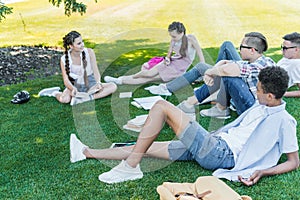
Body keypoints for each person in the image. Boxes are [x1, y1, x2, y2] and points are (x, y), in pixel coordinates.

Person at [70, 67, 299, 186]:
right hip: (212, 145)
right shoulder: (262, 107)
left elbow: (293, 162)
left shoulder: (285, 121)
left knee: (161, 106)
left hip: (220, 153)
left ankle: (130, 167)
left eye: (258, 89)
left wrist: (262, 171)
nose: (254, 91)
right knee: (146, 146)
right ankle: (86, 153)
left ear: (270, 95)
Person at [171, 32, 275, 119]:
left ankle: (218, 108)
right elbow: (225, 62)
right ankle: (192, 101)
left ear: (252, 50)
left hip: (253, 109)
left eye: (241, 47)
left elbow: (228, 70)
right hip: (247, 97)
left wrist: (210, 73)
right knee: (219, 68)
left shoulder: (262, 65)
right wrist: (212, 72)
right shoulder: (254, 61)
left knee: (227, 75)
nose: (239, 50)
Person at [103, 21, 205, 85]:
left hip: (178, 69)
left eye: (174, 36)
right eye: (171, 36)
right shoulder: (174, 40)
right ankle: (121, 79)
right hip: (171, 62)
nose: (172, 38)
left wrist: (203, 72)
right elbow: (169, 53)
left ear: (181, 33)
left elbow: (200, 55)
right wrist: (168, 59)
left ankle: (120, 80)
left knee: (148, 79)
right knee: (148, 73)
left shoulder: (191, 39)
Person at [38, 31, 117, 105]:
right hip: (75, 85)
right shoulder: (64, 59)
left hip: (90, 84)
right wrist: (72, 89)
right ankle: (54, 92)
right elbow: (66, 79)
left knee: (113, 86)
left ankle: (86, 98)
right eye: (79, 43)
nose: (82, 45)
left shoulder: (89, 52)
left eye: (82, 42)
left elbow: (96, 71)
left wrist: (98, 83)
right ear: (71, 46)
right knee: (64, 99)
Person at [277, 32, 300, 97]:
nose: (282, 50)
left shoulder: (296, 64)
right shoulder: (288, 58)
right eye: (282, 47)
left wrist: (284, 94)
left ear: (296, 49)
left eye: (285, 48)